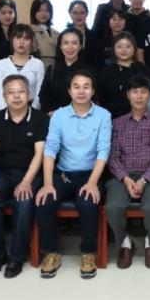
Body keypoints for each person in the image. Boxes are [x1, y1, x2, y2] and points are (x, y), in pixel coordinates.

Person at [38, 71, 112, 279]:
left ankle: (88, 253)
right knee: (44, 202)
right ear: (69, 91)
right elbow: (50, 148)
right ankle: (51, 253)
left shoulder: (103, 115)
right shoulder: (59, 115)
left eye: (86, 86)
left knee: (88, 203)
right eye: (76, 86)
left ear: (93, 91)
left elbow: (103, 150)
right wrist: (47, 183)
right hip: (63, 174)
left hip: (91, 174)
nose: (81, 91)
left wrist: (93, 182)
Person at [0, 74, 49, 278]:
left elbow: (39, 154)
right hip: (1, 172)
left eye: (21, 92)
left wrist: (26, 182)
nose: (16, 96)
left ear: (30, 94)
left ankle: (17, 257)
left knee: (24, 201)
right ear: (4, 96)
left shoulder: (40, 119)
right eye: (11, 92)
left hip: (30, 173)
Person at [105, 75, 150, 269]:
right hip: (123, 176)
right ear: (128, 95)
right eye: (135, 92)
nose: (139, 96)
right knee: (113, 207)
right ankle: (124, 242)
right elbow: (113, 156)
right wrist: (126, 179)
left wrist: (143, 180)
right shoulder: (117, 124)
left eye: (143, 92)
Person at [39, 28, 94, 114]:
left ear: (80, 46)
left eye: (74, 43)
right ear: (60, 46)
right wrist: (52, 112)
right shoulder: (52, 69)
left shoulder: (89, 71)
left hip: (80, 117)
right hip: (55, 117)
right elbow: (43, 96)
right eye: (66, 43)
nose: (70, 47)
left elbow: (92, 97)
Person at [96, 32, 150, 119]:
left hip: (141, 118)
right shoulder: (106, 72)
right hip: (113, 119)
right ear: (113, 49)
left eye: (128, 47)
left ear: (134, 48)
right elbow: (102, 98)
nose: (124, 50)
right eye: (119, 47)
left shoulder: (143, 70)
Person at [0, 23, 45, 111]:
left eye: (26, 39)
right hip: (6, 109)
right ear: (12, 40)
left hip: (31, 108)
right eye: (18, 37)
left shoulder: (38, 64)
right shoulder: (2, 64)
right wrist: (5, 112)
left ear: (31, 42)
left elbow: (39, 91)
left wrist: (33, 111)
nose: (21, 42)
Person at [68, 0, 103, 69]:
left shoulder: (94, 36)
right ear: (70, 14)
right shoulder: (64, 35)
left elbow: (98, 60)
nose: (78, 16)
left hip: (90, 72)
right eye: (75, 13)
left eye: (82, 13)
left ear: (87, 14)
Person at [29, 0, 60, 70]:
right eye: (39, 10)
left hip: (55, 67)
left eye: (46, 10)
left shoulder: (56, 32)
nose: (43, 14)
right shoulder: (29, 30)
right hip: (37, 67)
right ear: (34, 12)